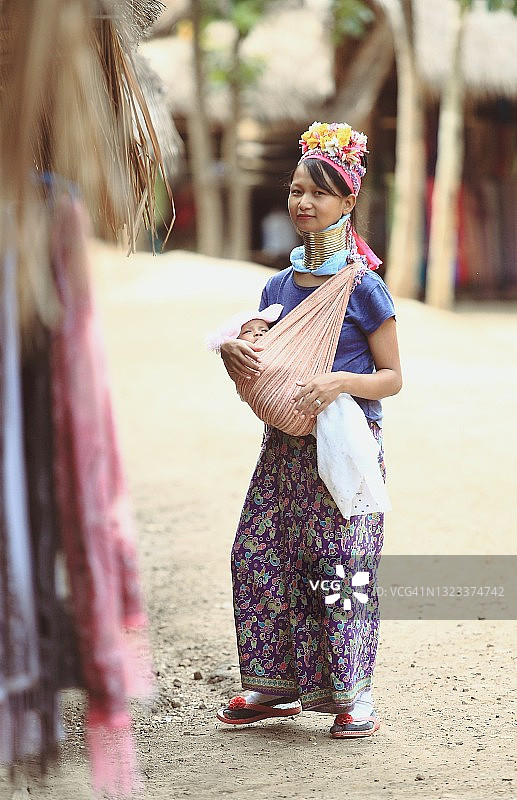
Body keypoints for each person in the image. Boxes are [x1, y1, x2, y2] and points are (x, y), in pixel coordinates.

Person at [215, 122, 402, 739]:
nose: (301, 203)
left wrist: (340, 383)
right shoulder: (278, 283)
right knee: (260, 552)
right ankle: (273, 687)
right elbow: (268, 349)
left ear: (348, 201)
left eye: (317, 193)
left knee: (341, 564)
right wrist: (242, 347)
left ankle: (354, 696)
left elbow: (393, 377)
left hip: (342, 443)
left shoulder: (364, 287)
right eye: (295, 190)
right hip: (285, 445)